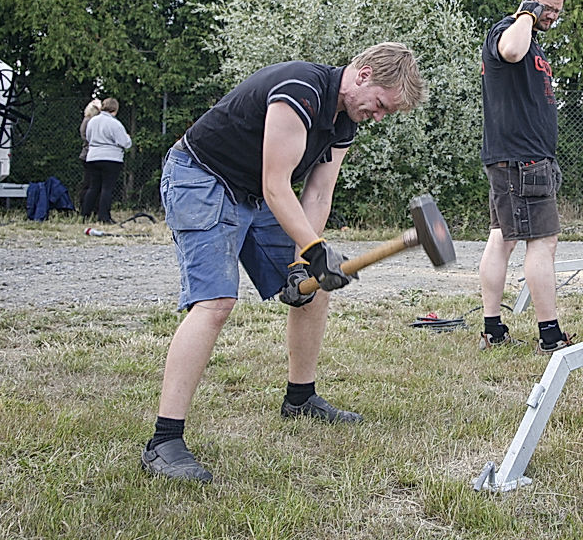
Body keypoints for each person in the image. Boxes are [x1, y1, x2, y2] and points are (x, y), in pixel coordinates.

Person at [141, 42, 426, 483]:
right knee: (215, 303)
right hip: (202, 178)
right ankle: (164, 441)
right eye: (381, 106)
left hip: (254, 195)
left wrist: (301, 263)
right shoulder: (301, 91)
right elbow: (278, 185)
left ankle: (300, 399)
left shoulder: (344, 121)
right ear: (364, 75)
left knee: (315, 289)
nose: (379, 117)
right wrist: (314, 250)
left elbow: (316, 194)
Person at [477, 0, 576, 355]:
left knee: (503, 237)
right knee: (543, 241)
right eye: (547, 8)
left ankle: (493, 329)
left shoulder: (532, 40)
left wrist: (532, 19)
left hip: (518, 158)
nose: (551, 16)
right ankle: (550, 335)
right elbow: (512, 52)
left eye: (556, 11)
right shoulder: (510, 31)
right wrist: (526, 14)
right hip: (522, 160)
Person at [82, 97, 132, 224]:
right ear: (115, 109)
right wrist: (127, 138)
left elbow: (88, 137)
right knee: (106, 188)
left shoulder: (92, 121)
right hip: (111, 158)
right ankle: (104, 217)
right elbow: (125, 143)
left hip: (93, 157)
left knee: (93, 187)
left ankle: (85, 215)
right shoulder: (114, 123)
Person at [77, 99, 101, 215]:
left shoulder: (88, 121)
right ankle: (86, 208)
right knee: (89, 183)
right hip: (89, 155)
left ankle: (89, 208)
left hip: (88, 154)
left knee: (90, 183)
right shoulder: (89, 122)